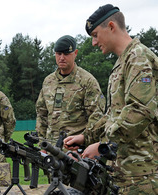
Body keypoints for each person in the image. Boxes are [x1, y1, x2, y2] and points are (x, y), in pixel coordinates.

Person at [64, 4, 158, 194]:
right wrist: (86, 137)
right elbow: (112, 114)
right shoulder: (121, 63)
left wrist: (103, 145)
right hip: (123, 173)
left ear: (112, 27)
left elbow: (140, 111)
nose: (93, 42)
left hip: (142, 175)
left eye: (95, 35)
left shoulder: (138, 58)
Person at [35, 35, 105, 149]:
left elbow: (97, 117)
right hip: (50, 151)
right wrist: (42, 146)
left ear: (75, 53)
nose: (62, 58)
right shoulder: (48, 82)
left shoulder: (87, 81)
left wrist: (85, 142)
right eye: (58, 53)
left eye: (66, 54)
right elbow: (41, 115)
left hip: (75, 152)